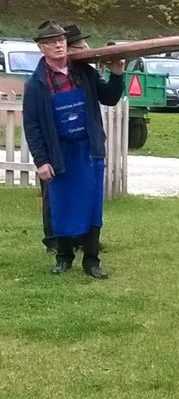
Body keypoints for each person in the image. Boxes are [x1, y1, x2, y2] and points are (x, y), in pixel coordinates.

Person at [22, 20, 125, 279]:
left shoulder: (85, 73)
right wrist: (41, 160)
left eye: (60, 40)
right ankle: (63, 257)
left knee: (92, 204)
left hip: (88, 149)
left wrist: (116, 74)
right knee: (61, 203)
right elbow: (32, 125)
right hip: (59, 152)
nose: (58, 45)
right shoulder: (36, 84)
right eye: (51, 42)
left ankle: (91, 260)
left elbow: (110, 98)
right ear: (41, 48)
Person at [37, 24, 94, 254]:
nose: (86, 50)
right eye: (81, 47)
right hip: (54, 142)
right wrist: (42, 157)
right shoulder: (42, 79)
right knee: (53, 194)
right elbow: (34, 122)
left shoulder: (80, 73)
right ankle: (53, 239)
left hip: (79, 142)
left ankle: (79, 237)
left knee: (80, 191)